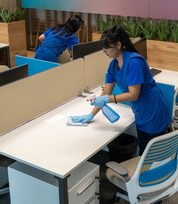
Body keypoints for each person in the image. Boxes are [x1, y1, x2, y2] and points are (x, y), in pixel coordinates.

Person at [71, 25, 171, 155]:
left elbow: (133, 95)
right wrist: (91, 114)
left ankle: (159, 174)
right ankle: (143, 173)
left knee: (155, 153)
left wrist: (108, 99)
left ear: (118, 45)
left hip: (152, 108)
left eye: (107, 47)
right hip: (140, 110)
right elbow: (106, 92)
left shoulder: (134, 62)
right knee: (143, 150)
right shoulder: (113, 65)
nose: (104, 51)